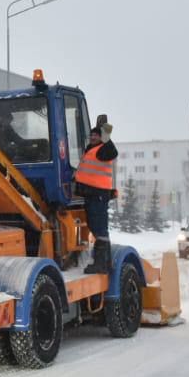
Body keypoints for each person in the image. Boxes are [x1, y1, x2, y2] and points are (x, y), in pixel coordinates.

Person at [75, 117, 118, 274]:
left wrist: (105, 131)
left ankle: (101, 264)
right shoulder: (91, 150)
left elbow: (113, 151)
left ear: (101, 138)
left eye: (96, 135)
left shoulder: (103, 150)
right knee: (96, 227)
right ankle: (105, 263)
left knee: (99, 229)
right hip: (92, 195)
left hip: (99, 196)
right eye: (91, 135)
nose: (93, 137)